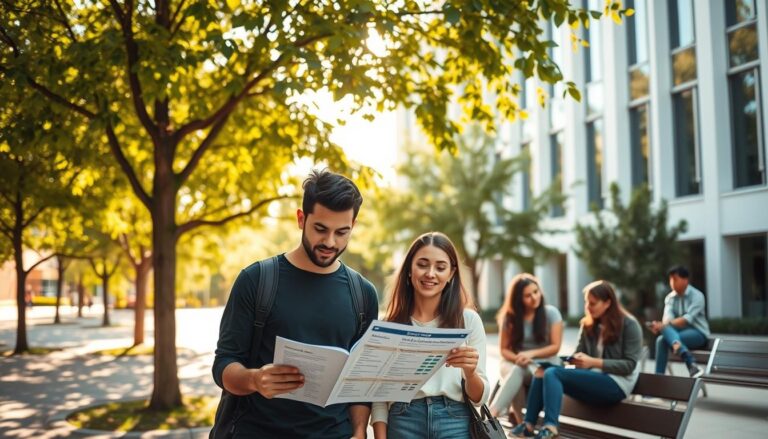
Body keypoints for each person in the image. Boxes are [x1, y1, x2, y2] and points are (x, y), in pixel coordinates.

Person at [212, 169, 379, 438]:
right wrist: (255, 379)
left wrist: (359, 431)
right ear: (301, 219)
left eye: (342, 232)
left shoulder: (363, 294)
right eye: (320, 229)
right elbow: (224, 365)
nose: (330, 242)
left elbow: (359, 383)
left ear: (353, 227)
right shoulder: (256, 280)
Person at [371, 232, 489, 439]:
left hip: (455, 420)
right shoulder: (388, 326)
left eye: (440, 267)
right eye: (422, 264)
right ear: (409, 269)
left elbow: (479, 398)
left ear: (451, 273)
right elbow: (379, 396)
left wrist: (470, 373)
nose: (430, 273)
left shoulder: (468, 321)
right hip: (403, 418)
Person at [510, 281, 642, 439]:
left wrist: (592, 362)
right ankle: (528, 425)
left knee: (553, 373)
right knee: (544, 370)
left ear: (607, 303)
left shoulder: (629, 324)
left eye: (593, 303)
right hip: (593, 381)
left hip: (617, 384)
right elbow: (578, 356)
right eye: (586, 302)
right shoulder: (588, 325)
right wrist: (571, 360)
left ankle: (550, 427)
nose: (588, 307)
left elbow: (629, 365)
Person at [489, 274, 563, 422]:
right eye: (528, 295)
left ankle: (492, 415)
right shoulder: (509, 317)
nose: (534, 297)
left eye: (536, 292)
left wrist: (530, 354)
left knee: (518, 371)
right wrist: (519, 358)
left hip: (544, 362)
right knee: (516, 370)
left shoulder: (551, 313)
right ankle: (516, 420)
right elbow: (504, 350)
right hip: (514, 361)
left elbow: (555, 347)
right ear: (518, 299)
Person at [647, 265, 710, 378]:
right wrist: (664, 325)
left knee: (664, 335)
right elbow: (667, 318)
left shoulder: (697, 296)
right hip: (677, 335)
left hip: (698, 334)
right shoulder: (670, 298)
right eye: (670, 279)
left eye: (675, 279)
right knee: (661, 340)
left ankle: (659, 378)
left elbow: (686, 320)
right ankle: (689, 362)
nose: (672, 282)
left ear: (686, 280)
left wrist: (663, 325)